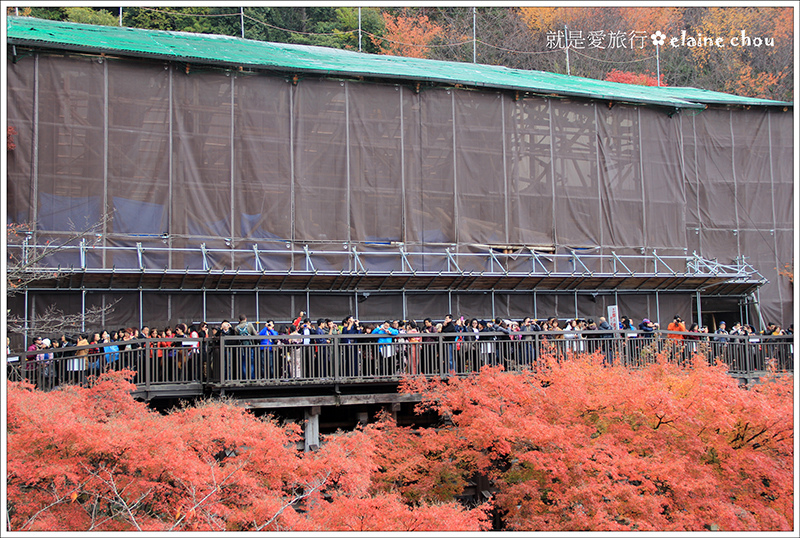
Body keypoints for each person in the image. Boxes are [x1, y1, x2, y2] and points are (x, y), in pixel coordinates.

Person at [235, 314, 258, 379]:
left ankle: (244, 377)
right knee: (251, 362)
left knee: (243, 362)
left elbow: (236, 338)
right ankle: (251, 377)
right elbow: (255, 335)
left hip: (241, 347)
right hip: (249, 345)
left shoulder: (236, 327)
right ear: (246, 319)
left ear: (239, 320)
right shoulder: (249, 325)